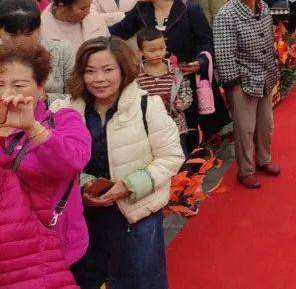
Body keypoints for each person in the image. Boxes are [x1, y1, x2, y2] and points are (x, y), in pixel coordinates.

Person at [52, 37, 183, 289]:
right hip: (84, 216)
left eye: (108, 69)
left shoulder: (147, 106)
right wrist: (84, 188)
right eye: (90, 71)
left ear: (124, 69)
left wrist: (130, 185)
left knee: (142, 280)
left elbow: (171, 156)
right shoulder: (66, 111)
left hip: (136, 213)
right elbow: (58, 160)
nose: (98, 79)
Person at [0, 43, 90, 288]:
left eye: (19, 85)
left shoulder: (63, 120)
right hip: (8, 256)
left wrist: (32, 128)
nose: (7, 93)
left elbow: (72, 163)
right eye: (0, 84)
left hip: (58, 246)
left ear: (40, 88)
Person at [109, 0, 214, 148]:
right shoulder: (140, 10)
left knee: (189, 134)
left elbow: (205, 41)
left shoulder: (190, 9)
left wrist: (201, 61)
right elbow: (116, 32)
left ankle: (191, 174)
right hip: (152, 84)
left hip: (184, 83)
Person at [212, 0, 281, 189]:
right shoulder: (227, 15)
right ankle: (246, 170)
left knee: (265, 124)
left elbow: (269, 42)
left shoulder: (263, 7)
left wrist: (274, 70)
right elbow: (224, 53)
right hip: (242, 79)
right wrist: (233, 83)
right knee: (244, 128)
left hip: (265, 75)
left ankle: (264, 159)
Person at [135, 27, 192, 154]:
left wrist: (183, 102)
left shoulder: (175, 71)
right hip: (151, 128)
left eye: (162, 49)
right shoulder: (137, 75)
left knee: (181, 156)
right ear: (141, 51)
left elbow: (186, 91)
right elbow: (135, 98)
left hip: (176, 125)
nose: (158, 54)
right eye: (152, 50)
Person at [40, 0, 110, 54]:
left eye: (89, 6)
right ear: (61, 6)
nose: (88, 12)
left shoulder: (94, 17)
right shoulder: (42, 30)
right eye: (82, 9)